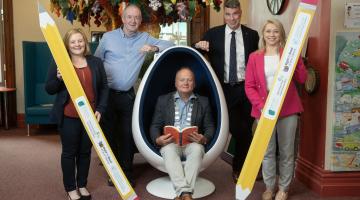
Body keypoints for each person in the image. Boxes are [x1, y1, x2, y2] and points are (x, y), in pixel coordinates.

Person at [94, 4, 174, 186]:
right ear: (123, 18)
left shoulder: (145, 37)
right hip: (106, 95)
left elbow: (171, 44)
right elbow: (97, 62)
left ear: (140, 20)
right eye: (129, 17)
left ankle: (127, 172)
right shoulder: (108, 37)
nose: (133, 21)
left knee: (127, 135)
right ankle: (113, 172)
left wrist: (153, 48)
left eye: (137, 18)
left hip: (128, 96)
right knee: (109, 135)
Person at [194, 0, 259, 182]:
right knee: (239, 130)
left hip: (246, 89)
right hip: (223, 90)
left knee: (245, 129)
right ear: (224, 14)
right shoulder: (213, 34)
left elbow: (255, 62)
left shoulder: (252, 35)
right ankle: (241, 168)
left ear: (240, 13)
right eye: (228, 14)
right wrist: (199, 46)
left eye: (235, 14)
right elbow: (195, 49)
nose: (232, 18)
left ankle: (239, 169)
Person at [244, 19, 307, 200]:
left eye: (276, 31)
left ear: (281, 34)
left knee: (287, 152)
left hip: (288, 109)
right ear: (263, 34)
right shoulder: (254, 57)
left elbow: (302, 79)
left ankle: (284, 189)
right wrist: (262, 106)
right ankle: (269, 188)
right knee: (267, 151)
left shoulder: (289, 54)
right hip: (263, 110)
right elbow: (249, 86)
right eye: (268, 31)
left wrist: (297, 59)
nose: (272, 35)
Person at [45, 28, 109, 200]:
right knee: (69, 153)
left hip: (90, 117)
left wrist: (101, 109)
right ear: (67, 44)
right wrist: (58, 79)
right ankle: (71, 188)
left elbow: (104, 88)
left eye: (80, 41)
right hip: (69, 116)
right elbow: (49, 89)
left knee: (85, 152)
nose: (77, 44)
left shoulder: (95, 62)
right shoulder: (60, 62)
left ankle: (82, 184)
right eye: (73, 42)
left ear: (85, 42)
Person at [150, 67, 215, 200]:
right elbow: (154, 125)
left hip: (192, 143)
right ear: (176, 83)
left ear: (194, 84)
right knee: (168, 150)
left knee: (197, 150)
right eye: (182, 80)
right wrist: (158, 140)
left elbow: (210, 127)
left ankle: (182, 193)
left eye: (189, 80)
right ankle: (186, 194)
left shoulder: (203, 101)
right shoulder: (163, 100)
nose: (186, 83)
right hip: (171, 143)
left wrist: (203, 138)